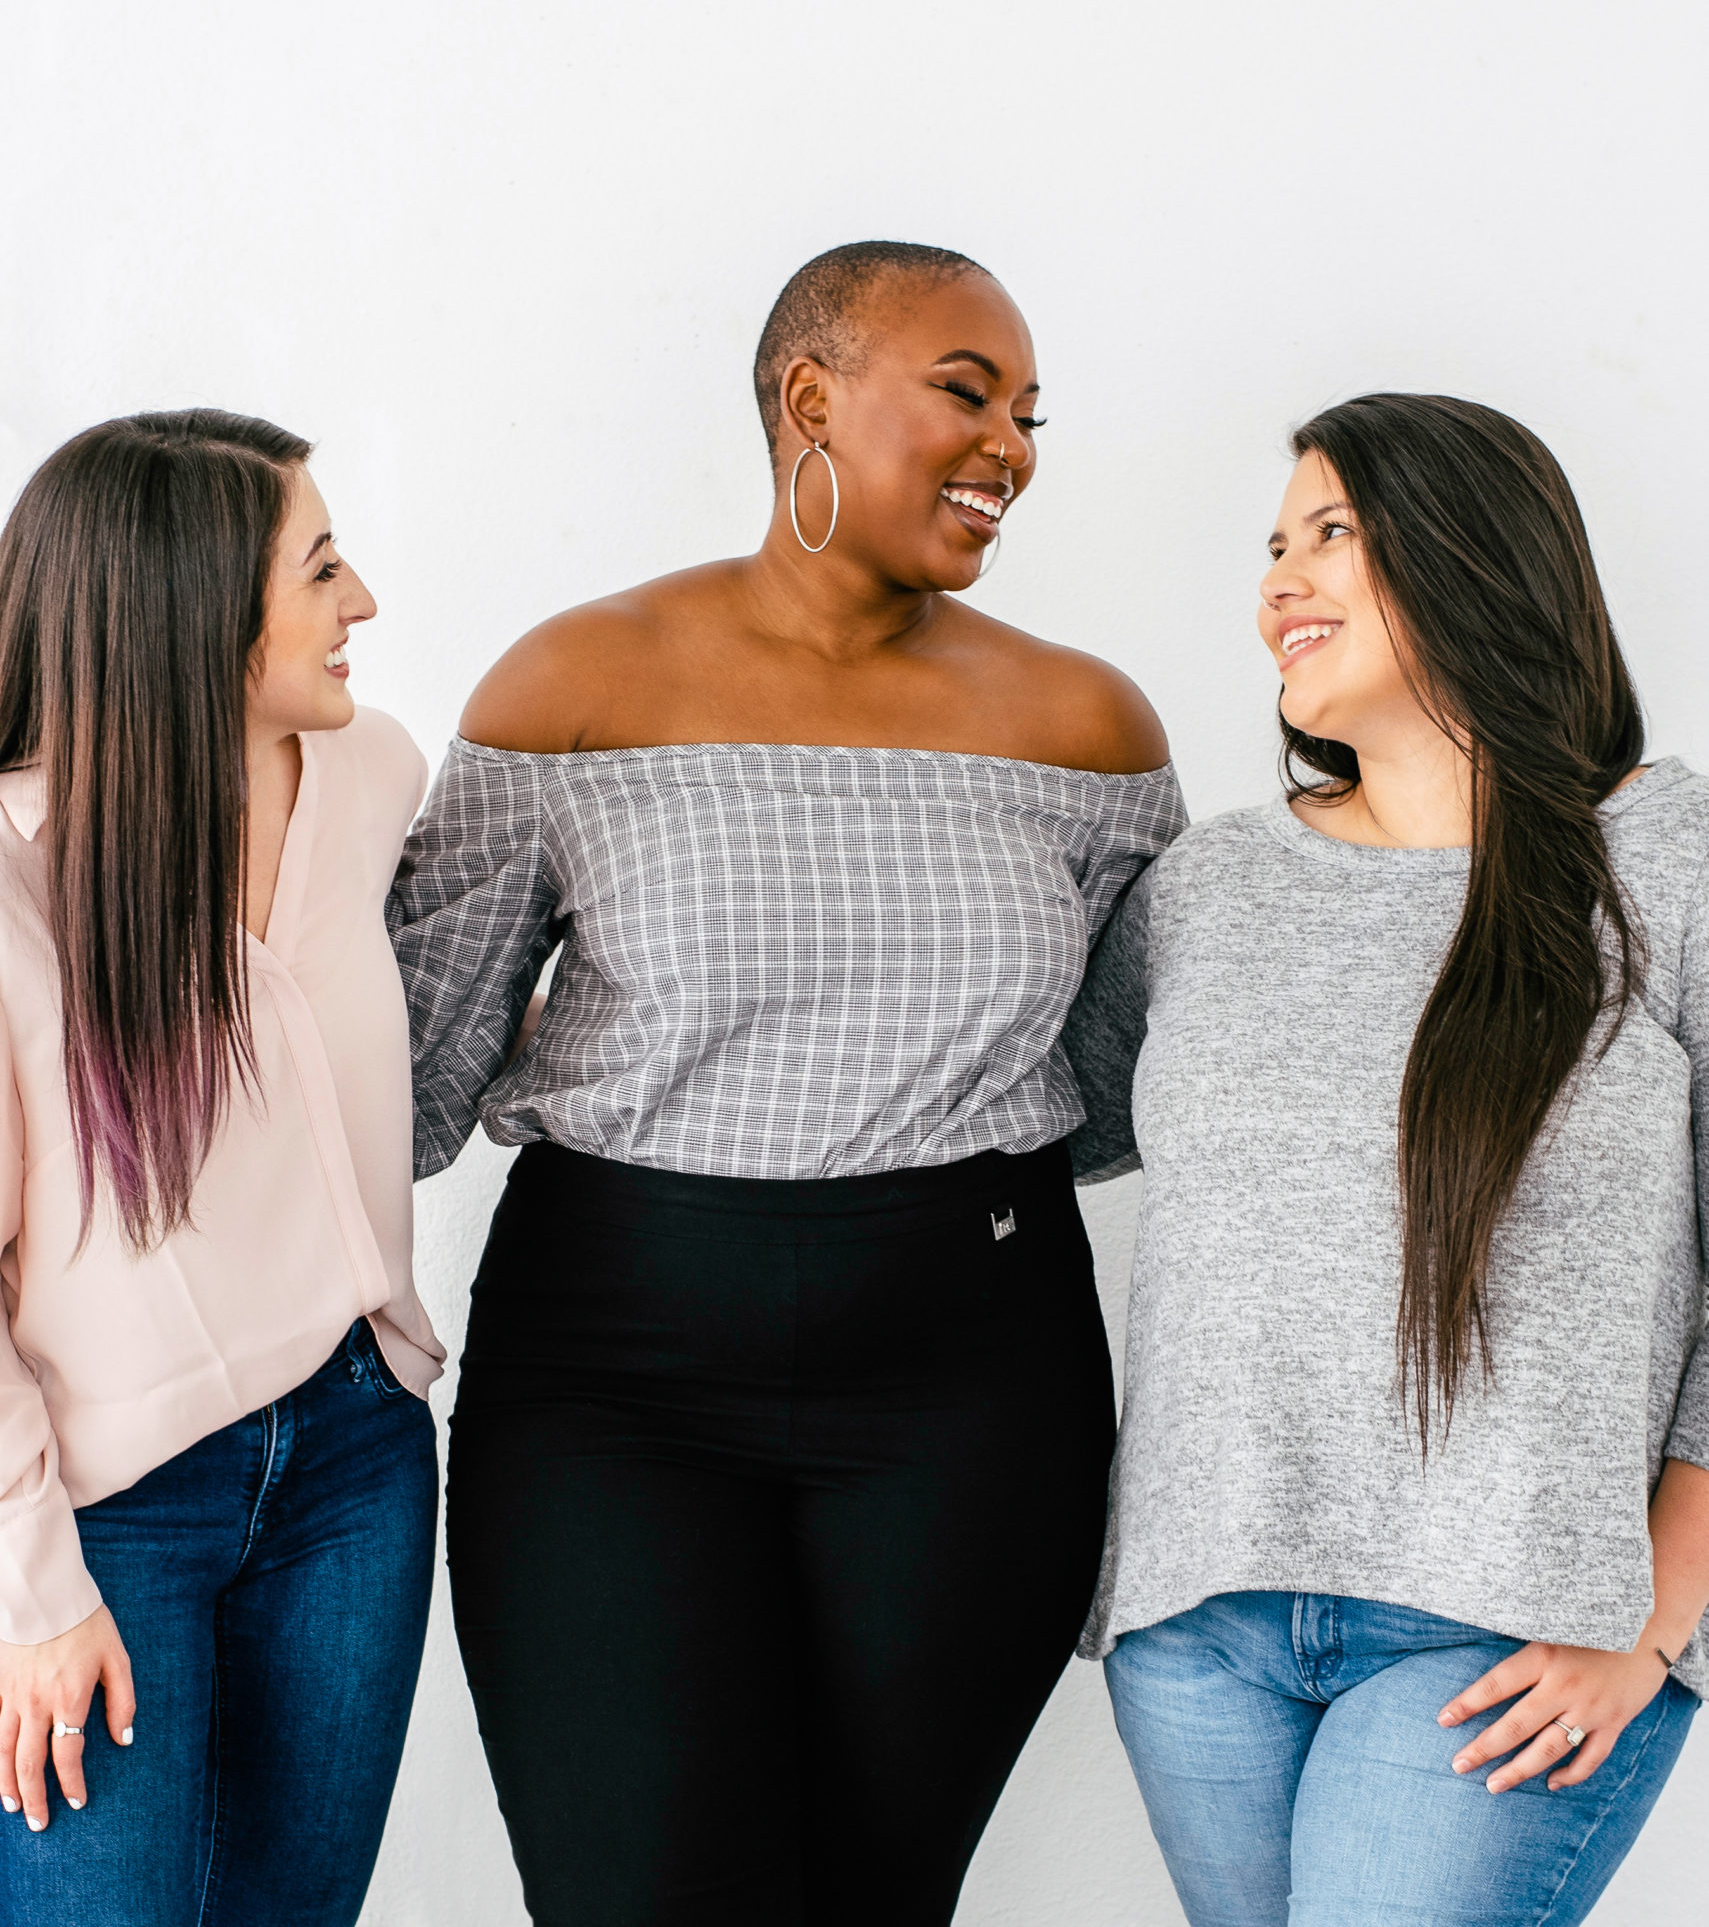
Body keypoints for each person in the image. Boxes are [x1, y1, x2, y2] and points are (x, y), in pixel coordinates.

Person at [389, 239, 1183, 1926]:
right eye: (965, 394)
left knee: (872, 1900)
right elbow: (406, 1079)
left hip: (971, 1383)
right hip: (613, 1373)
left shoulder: (1085, 726)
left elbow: (1126, 1080)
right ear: (809, 400)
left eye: (1030, 416)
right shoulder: (570, 690)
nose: (1011, 450)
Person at [1072, 392, 1709, 1927]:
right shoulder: (1206, 884)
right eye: (1273, 548)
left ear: (1477, 552)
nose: (1278, 583)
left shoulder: (1669, 858)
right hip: (1197, 1627)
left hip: (1507, 1630)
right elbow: (1003, 1130)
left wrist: (1653, 1622)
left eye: (1332, 534)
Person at [0, 409, 444, 1927]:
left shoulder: (370, 772)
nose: (364, 603)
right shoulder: (8, 875)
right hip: (104, 1508)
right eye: (321, 570)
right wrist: (30, 1601)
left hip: (357, 1461)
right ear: (193, 613)